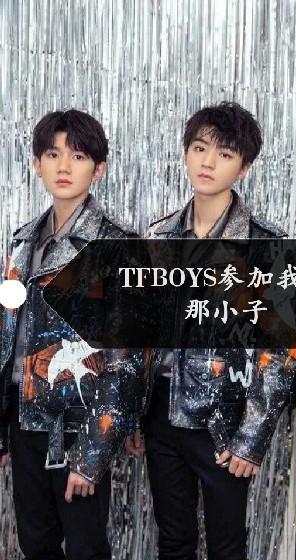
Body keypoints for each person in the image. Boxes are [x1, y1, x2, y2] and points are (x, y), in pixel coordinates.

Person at [126, 101, 294, 560]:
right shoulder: (159, 237)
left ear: (244, 167)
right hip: (161, 412)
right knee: (172, 540)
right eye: (200, 148)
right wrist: (133, 413)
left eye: (224, 154)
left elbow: (279, 353)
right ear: (186, 153)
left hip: (226, 418)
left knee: (226, 544)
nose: (208, 162)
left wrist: (252, 439)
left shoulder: (266, 245)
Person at [0, 109, 136, 560]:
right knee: (35, 543)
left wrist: (94, 452)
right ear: (36, 163)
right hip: (24, 420)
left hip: (79, 424)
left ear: (99, 169)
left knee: (85, 547)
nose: (63, 166)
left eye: (77, 156)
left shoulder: (116, 247)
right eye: (53, 154)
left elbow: (126, 363)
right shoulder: (22, 243)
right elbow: (7, 341)